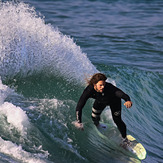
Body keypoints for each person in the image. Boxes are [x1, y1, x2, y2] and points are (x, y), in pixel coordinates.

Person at [74, 73, 132, 144]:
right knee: (94, 118)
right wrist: (79, 122)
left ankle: (125, 139)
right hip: (100, 101)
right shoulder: (89, 90)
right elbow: (79, 106)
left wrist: (127, 100)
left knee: (117, 120)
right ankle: (98, 125)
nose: (103, 87)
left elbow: (120, 93)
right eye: (100, 85)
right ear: (95, 84)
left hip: (114, 101)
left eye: (104, 84)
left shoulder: (109, 87)